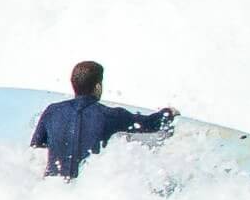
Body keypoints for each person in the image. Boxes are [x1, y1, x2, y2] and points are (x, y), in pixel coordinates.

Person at [30, 61, 174, 180]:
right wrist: (169, 113)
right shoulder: (110, 115)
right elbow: (151, 124)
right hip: (88, 191)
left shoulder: (52, 111)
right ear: (98, 86)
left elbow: (36, 146)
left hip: (53, 190)